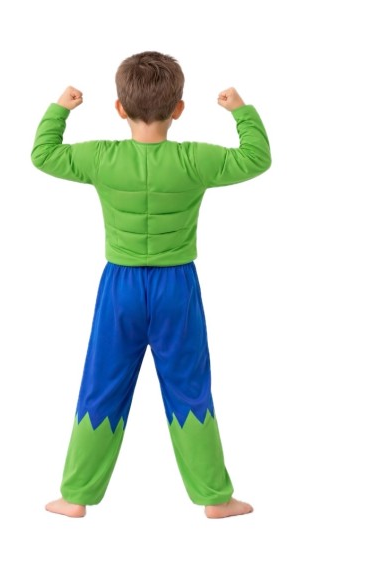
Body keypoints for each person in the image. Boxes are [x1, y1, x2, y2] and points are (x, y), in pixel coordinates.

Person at [31, 50, 271, 519]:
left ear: (119, 108)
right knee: (190, 390)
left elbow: (43, 154)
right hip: (176, 288)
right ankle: (216, 498)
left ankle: (75, 496)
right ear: (178, 108)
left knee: (101, 386)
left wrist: (60, 108)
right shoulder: (194, 159)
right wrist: (240, 110)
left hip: (119, 288)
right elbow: (256, 158)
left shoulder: (101, 157)